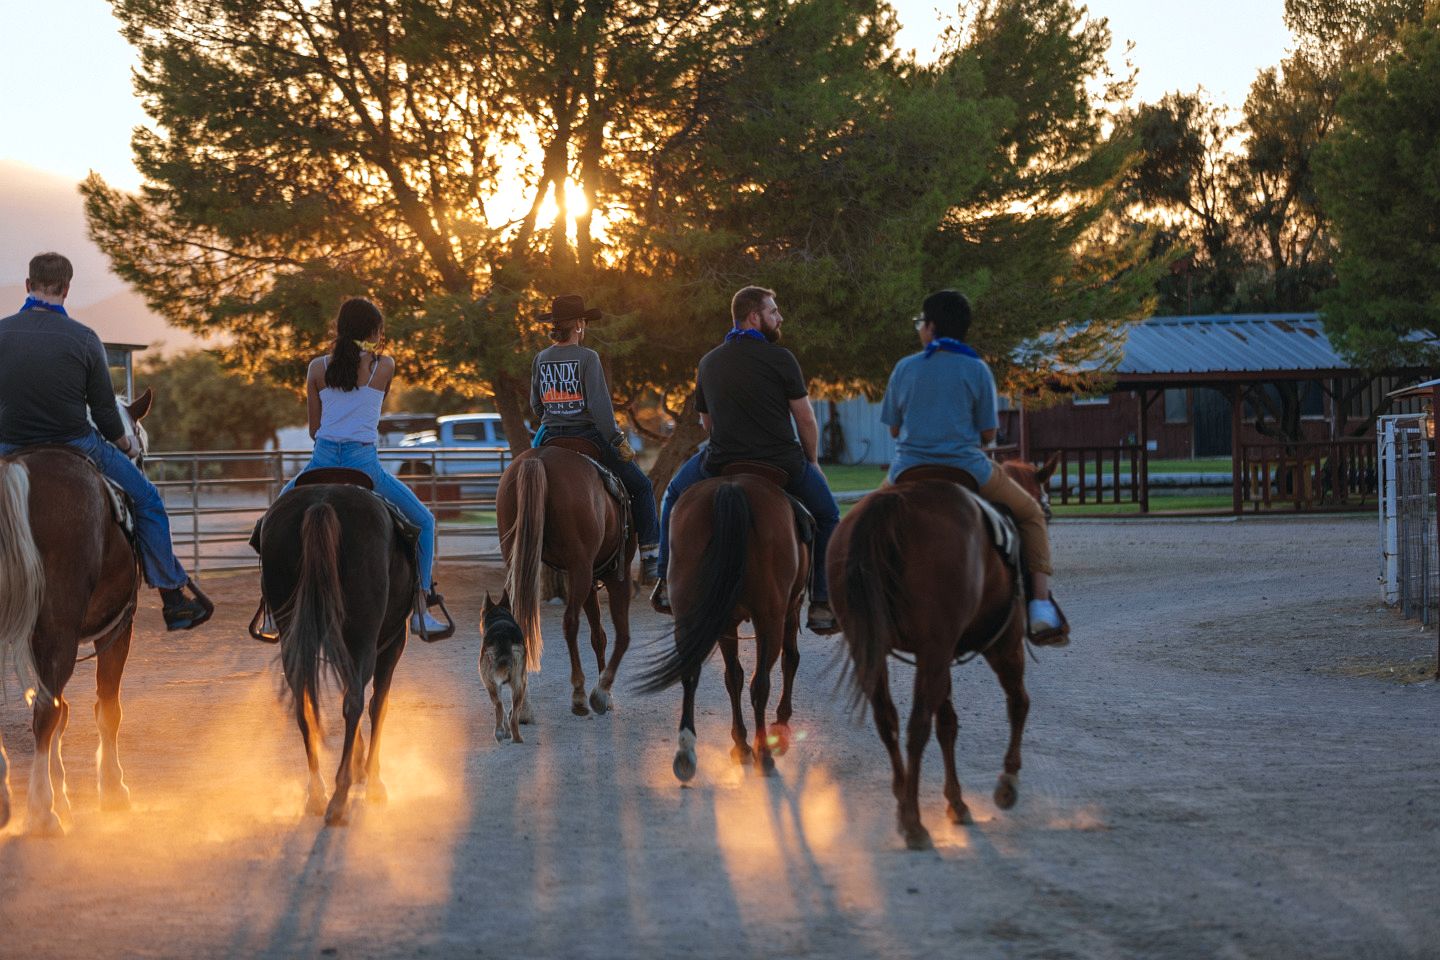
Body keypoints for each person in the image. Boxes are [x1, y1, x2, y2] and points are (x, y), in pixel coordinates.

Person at [0, 252, 212, 630]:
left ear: (28, 286)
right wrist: (127, 446)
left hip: (9, 446)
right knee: (147, 499)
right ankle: (173, 596)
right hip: (76, 443)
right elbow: (103, 413)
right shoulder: (84, 338)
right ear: (66, 289)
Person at [880, 289, 1067, 643]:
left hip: (907, 470)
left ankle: (853, 599)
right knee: (1030, 514)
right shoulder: (976, 368)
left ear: (931, 327)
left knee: (859, 521)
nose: (920, 329)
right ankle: (1041, 607)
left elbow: (893, 428)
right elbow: (988, 433)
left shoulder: (905, 368)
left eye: (922, 322)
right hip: (966, 468)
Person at [651, 286, 841, 634]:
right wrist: (811, 460)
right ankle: (822, 603)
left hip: (721, 460)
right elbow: (805, 419)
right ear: (754, 317)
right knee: (829, 515)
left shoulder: (708, 362)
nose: (779, 317)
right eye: (773, 311)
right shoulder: (782, 358)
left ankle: (664, 581)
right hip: (781, 462)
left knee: (673, 497)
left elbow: (706, 423)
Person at [278, 297, 446, 634]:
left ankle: (271, 609)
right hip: (364, 467)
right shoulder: (384, 367)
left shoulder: (315, 368)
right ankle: (420, 608)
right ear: (372, 331)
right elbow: (372, 412)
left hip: (320, 464)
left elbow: (314, 430)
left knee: (273, 519)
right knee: (425, 522)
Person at [529, 294, 661, 579]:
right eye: (583, 322)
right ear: (578, 324)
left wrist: (556, 416)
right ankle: (651, 554)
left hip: (552, 437)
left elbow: (536, 405)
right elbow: (601, 409)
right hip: (587, 435)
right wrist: (616, 441)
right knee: (641, 486)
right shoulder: (588, 358)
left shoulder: (541, 359)